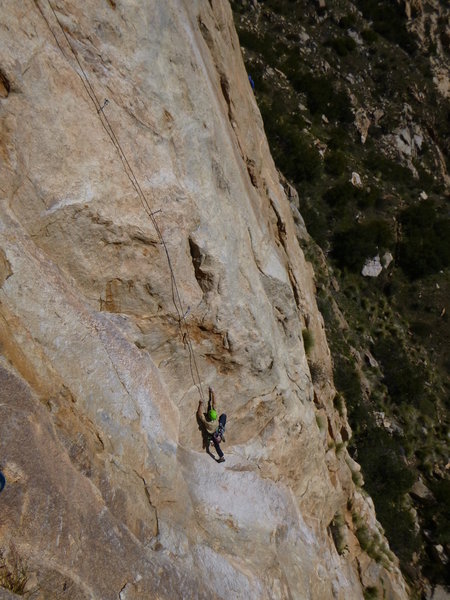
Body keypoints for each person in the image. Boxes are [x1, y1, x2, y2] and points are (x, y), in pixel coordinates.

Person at [197, 387, 227, 463]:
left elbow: (200, 414)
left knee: (216, 444)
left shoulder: (206, 421)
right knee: (224, 416)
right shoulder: (215, 415)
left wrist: (200, 404)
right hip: (218, 429)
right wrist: (212, 392)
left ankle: (221, 454)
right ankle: (221, 456)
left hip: (212, 433)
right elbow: (214, 403)